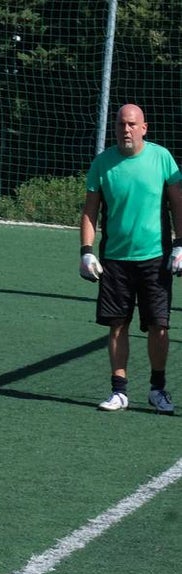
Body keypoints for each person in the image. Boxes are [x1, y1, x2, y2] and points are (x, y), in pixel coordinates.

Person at [80, 103, 182, 413]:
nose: (126, 129)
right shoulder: (102, 163)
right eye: (121, 124)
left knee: (159, 326)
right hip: (115, 260)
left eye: (132, 124)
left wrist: (180, 245)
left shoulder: (162, 158)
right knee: (117, 325)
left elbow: (179, 205)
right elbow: (90, 211)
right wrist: (86, 252)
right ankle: (119, 392)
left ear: (144, 128)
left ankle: (157, 390)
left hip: (155, 258)